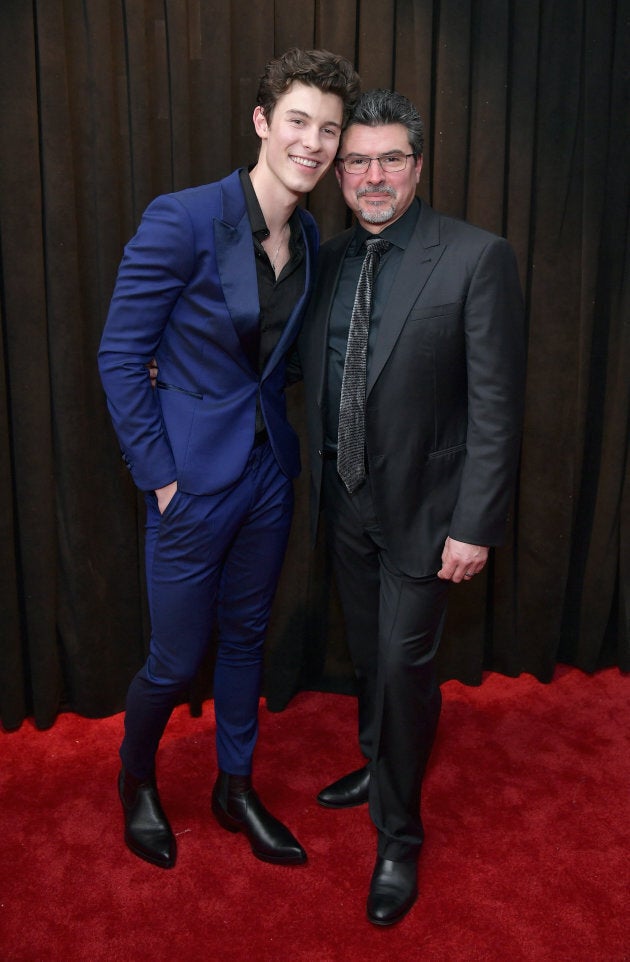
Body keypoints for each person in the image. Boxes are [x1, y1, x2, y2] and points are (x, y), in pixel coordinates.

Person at [98, 48, 360, 871]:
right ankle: (135, 777)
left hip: (266, 477)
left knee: (247, 636)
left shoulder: (313, 235)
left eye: (330, 129)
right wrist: (162, 479)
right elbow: (118, 355)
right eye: (298, 122)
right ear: (261, 122)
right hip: (190, 482)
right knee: (176, 660)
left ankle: (234, 785)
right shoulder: (182, 218)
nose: (313, 143)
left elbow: (271, 360)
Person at [298, 89, 525, 924]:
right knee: (368, 655)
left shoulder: (475, 256)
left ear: (418, 166)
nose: (373, 175)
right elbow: (299, 367)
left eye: (391, 158)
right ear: (340, 174)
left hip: (430, 514)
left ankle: (399, 834)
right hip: (344, 500)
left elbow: (498, 406)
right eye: (356, 160)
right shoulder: (327, 259)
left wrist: (476, 523)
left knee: (402, 664)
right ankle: (378, 758)